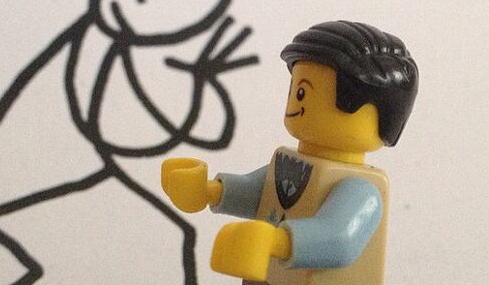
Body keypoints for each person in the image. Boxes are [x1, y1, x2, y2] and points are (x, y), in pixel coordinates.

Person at [162, 20, 418, 285]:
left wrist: (274, 241)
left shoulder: (361, 190)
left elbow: (339, 238)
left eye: (303, 91)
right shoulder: (290, 165)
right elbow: (257, 192)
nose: (295, 101)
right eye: (296, 90)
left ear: (370, 109)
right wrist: (208, 191)